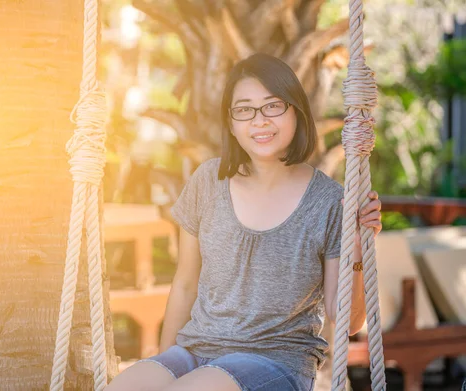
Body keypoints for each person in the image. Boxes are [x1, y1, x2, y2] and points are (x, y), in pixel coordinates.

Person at [106, 53, 383, 391]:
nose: (259, 121)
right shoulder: (208, 180)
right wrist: (167, 365)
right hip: (196, 351)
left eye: (273, 106)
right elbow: (184, 285)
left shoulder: (329, 201)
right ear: (232, 122)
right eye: (244, 110)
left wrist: (357, 245)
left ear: (296, 110)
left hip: (275, 361)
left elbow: (349, 322)